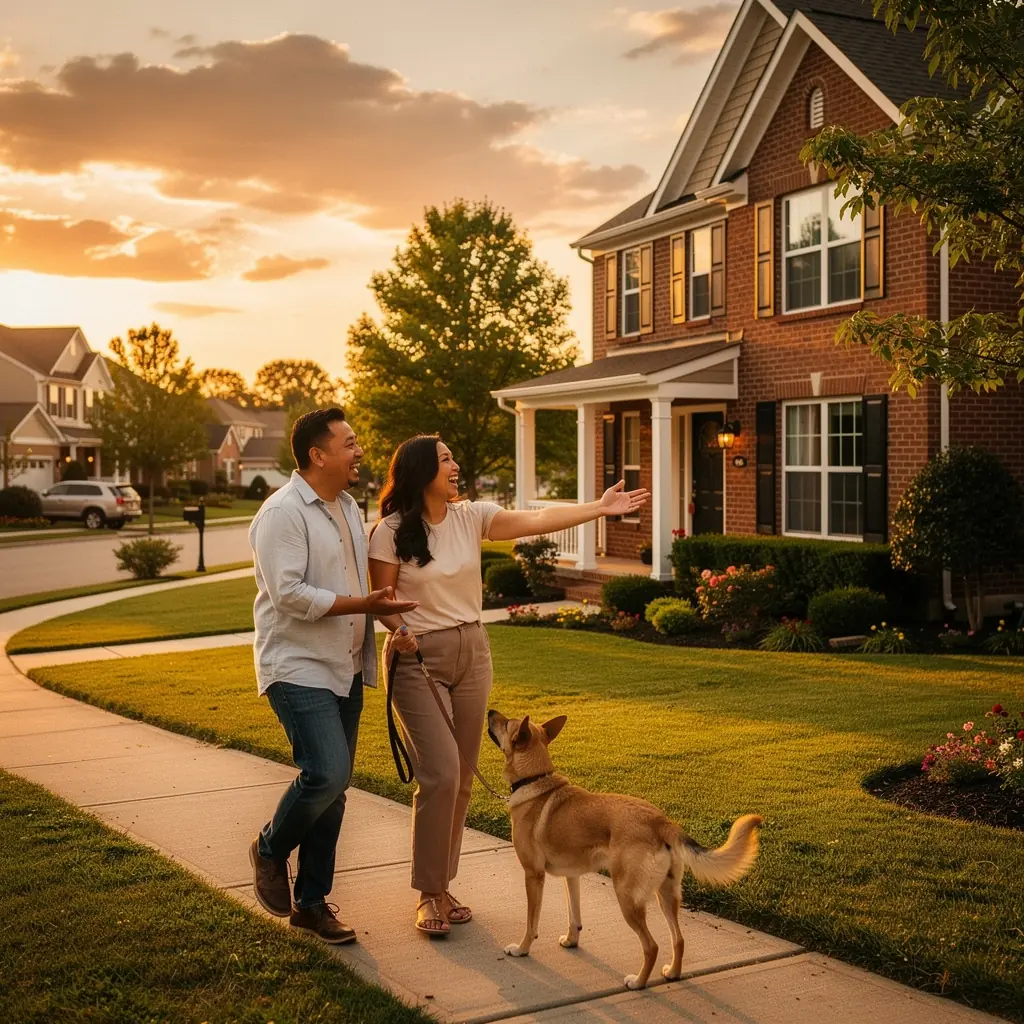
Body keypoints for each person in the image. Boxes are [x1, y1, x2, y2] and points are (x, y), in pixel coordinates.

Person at [368, 434, 649, 936]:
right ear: (419, 472)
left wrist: (600, 508)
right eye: (445, 459)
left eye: (455, 456)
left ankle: (444, 883)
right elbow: (382, 600)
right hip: (418, 658)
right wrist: (401, 632)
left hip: (473, 651)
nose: (455, 465)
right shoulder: (389, 531)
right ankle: (428, 893)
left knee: (464, 781)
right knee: (441, 774)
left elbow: (538, 520)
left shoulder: (472, 516)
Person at [248, 407, 417, 944]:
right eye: (348, 443)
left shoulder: (345, 505)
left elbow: (355, 582)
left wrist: (386, 619)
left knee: (336, 787)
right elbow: (289, 593)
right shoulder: (282, 513)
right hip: (297, 665)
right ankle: (271, 848)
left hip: (344, 666)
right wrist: (361, 603)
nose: (359, 451)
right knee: (325, 773)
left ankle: (312, 904)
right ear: (317, 455)